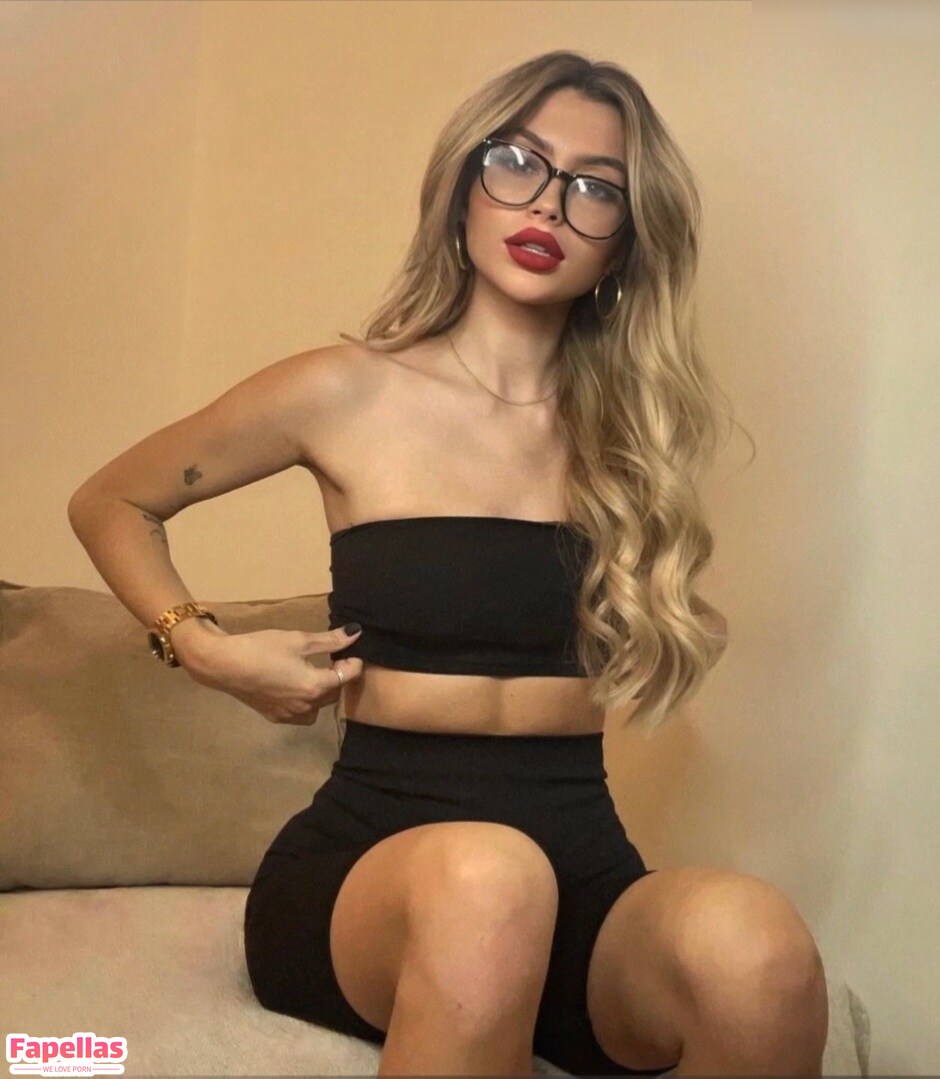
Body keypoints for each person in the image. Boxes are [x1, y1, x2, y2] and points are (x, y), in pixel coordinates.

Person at [69, 50, 829, 1079]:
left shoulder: (631, 434)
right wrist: (203, 649)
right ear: (464, 186)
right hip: (372, 866)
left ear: (624, 242)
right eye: (518, 162)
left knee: (759, 949)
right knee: (488, 879)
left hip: (580, 862)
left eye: (596, 187)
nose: (549, 203)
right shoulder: (344, 390)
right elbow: (111, 499)